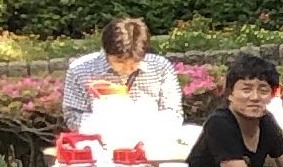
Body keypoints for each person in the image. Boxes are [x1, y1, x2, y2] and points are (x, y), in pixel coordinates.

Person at [188, 51, 283, 167]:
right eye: (246, 90)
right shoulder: (219, 123)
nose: (255, 97)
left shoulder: (266, 121)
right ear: (230, 94)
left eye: (263, 90)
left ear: (272, 95)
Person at [64, 13, 189, 146]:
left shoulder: (160, 67)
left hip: (151, 143)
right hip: (99, 145)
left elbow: (174, 112)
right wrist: (104, 126)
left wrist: (147, 125)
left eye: (135, 62)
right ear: (106, 51)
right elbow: (72, 116)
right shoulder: (80, 69)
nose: (127, 69)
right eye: (119, 62)